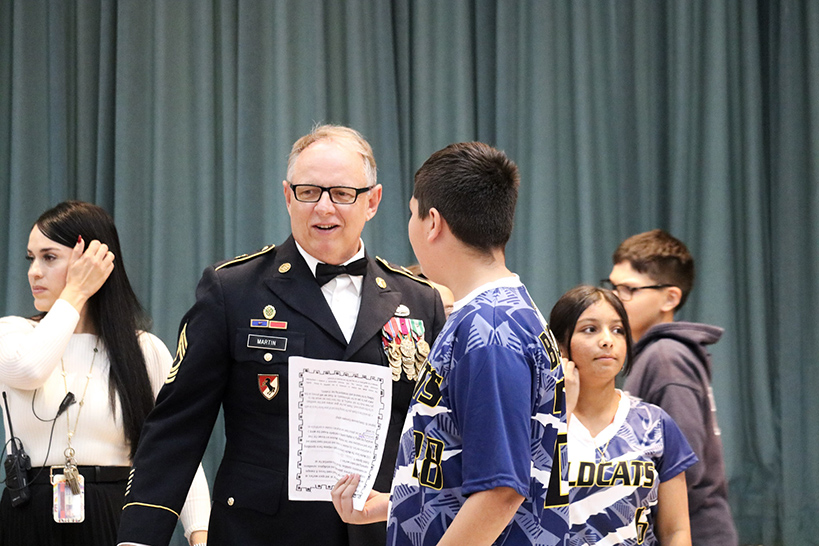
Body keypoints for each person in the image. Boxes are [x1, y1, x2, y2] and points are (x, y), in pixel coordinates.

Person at [116, 125, 446, 546]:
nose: (324, 207)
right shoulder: (233, 291)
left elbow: (437, 434)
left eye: (342, 193)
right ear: (288, 196)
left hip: (382, 534)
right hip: (262, 533)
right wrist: (139, 538)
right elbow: (176, 427)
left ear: (372, 201)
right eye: (309, 192)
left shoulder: (419, 300)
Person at [332, 142, 573, 545]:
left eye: (413, 212)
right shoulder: (495, 311)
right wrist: (398, 502)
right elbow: (472, 466)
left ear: (433, 223)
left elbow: (500, 491)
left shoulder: (490, 329)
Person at [0, 201, 209, 546]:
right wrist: (76, 292)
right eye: (31, 258)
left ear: (93, 261)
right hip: (27, 516)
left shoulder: (143, 350)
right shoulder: (14, 334)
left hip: (116, 514)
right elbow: (29, 369)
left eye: (49, 257)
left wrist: (200, 533)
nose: (34, 272)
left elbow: (175, 449)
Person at [605, 229, 738, 545]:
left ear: (670, 298)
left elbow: (684, 466)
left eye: (628, 289)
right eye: (612, 287)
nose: (615, 299)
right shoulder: (656, 355)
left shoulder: (666, 358)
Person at [549, 285, 697, 545]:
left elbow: (676, 530)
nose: (607, 340)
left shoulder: (655, 424)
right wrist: (563, 412)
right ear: (560, 345)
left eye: (618, 330)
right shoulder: (538, 423)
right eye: (590, 329)